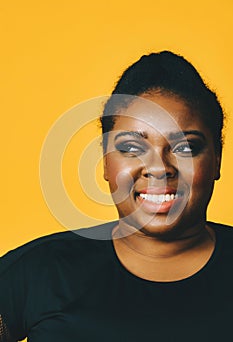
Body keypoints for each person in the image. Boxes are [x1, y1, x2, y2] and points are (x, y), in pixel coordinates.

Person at [0, 51, 232, 341]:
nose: (159, 168)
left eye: (185, 148)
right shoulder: (40, 272)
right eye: (132, 148)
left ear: (217, 161)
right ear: (106, 162)